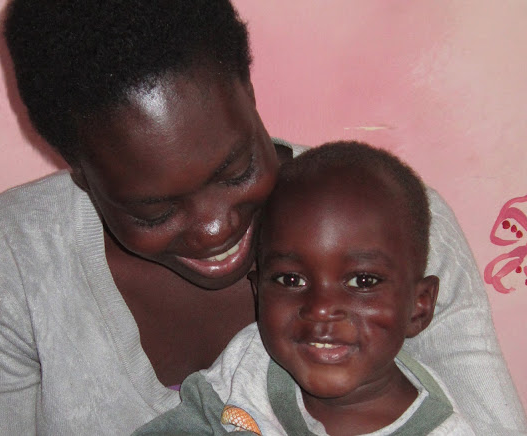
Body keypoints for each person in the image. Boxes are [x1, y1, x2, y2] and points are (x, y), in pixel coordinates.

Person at [0, 0, 526, 434]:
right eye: (155, 209)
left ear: (248, 89)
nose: (215, 229)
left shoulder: (394, 222)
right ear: (81, 173)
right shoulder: (13, 257)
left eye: (235, 170)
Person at [133, 141, 476, 435]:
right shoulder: (251, 363)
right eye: (291, 280)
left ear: (419, 306)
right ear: (258, 292)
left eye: (363, 281)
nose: (321, 307)